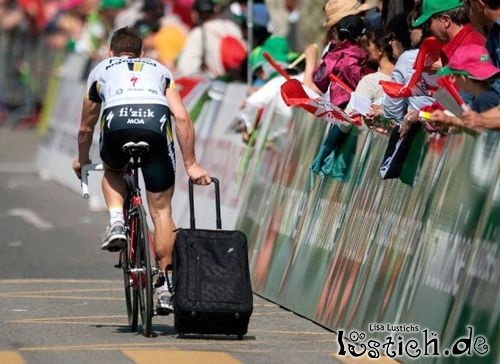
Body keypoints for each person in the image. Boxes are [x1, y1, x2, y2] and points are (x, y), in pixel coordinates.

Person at [72, 27, 211, 311]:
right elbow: (182, 117)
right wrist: (192, 164)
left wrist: (82, 159)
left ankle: (116, 222)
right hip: (155, 128)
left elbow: (86, 126)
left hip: (117, 125)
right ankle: (166, 285)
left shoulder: (101, 69)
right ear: (141, 53)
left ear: (110, 52)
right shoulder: (160, 69)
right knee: (161, 211)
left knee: (112, 169)